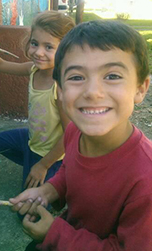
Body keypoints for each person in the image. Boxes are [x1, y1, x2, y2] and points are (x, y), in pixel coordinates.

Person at [9, 20, 152, 251]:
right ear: (62, 91)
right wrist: (47, 190)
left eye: (113, 76)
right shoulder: (74, 131)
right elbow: (69, 169)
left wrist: (55, 233)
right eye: (76, 77)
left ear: (140, 88)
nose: (93, 92)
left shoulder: (146, 180)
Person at [0, 11, 75, 190]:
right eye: (34, 43)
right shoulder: (33, 69)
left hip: (52, 154)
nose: (38, 52)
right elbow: (0, 64)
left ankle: (58, 173)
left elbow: (70, 135)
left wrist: (43, 165)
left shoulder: (60, 87)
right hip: (33, 141)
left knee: (27, 213)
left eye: (49, 47)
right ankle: (36, 170)